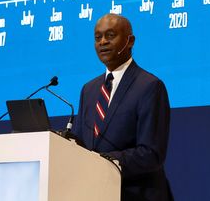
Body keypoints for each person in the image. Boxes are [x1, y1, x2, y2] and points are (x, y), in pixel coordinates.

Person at [73, 13, 174, 201]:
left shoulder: (149, 86)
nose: (102, 42)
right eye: (97, 37)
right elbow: (80, 145)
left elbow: (151, 153)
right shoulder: (89, 90)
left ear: (130, 41)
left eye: (110, 36)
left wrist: (101, 161)